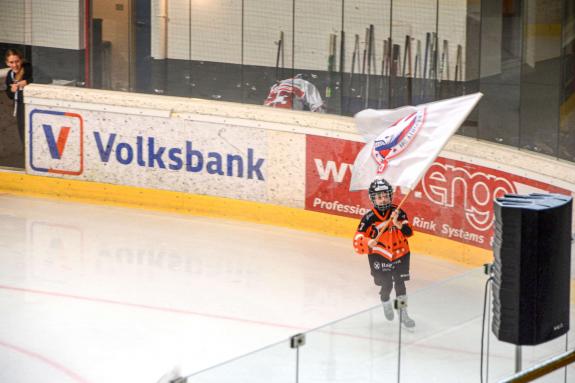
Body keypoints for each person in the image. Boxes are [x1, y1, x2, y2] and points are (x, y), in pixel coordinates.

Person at [353, 178, 416, 328]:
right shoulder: (369, 218)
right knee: (386, 284)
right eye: (379, 197)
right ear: (373, 199)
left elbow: (408, 232)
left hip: (401, 253)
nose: (383, 200)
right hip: (379, 255)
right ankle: (385, 300)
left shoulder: (398, 212)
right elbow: (357, 238)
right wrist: (368, 241)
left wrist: (398, 224)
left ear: (390, 195)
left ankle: (403, 312)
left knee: (400, 284)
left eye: (385, 196)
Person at [4, 49, 33, 144]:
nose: (15, 65)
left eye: (17, 61)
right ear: (7, 63)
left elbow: (44, 79)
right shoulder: (10, 74)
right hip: (20, 107)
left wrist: (27, 82)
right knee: (23, 133)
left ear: (21, 60)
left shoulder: (28, 68)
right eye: (11, 62)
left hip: (31, 105)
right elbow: (9, 94)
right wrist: (12, 91)